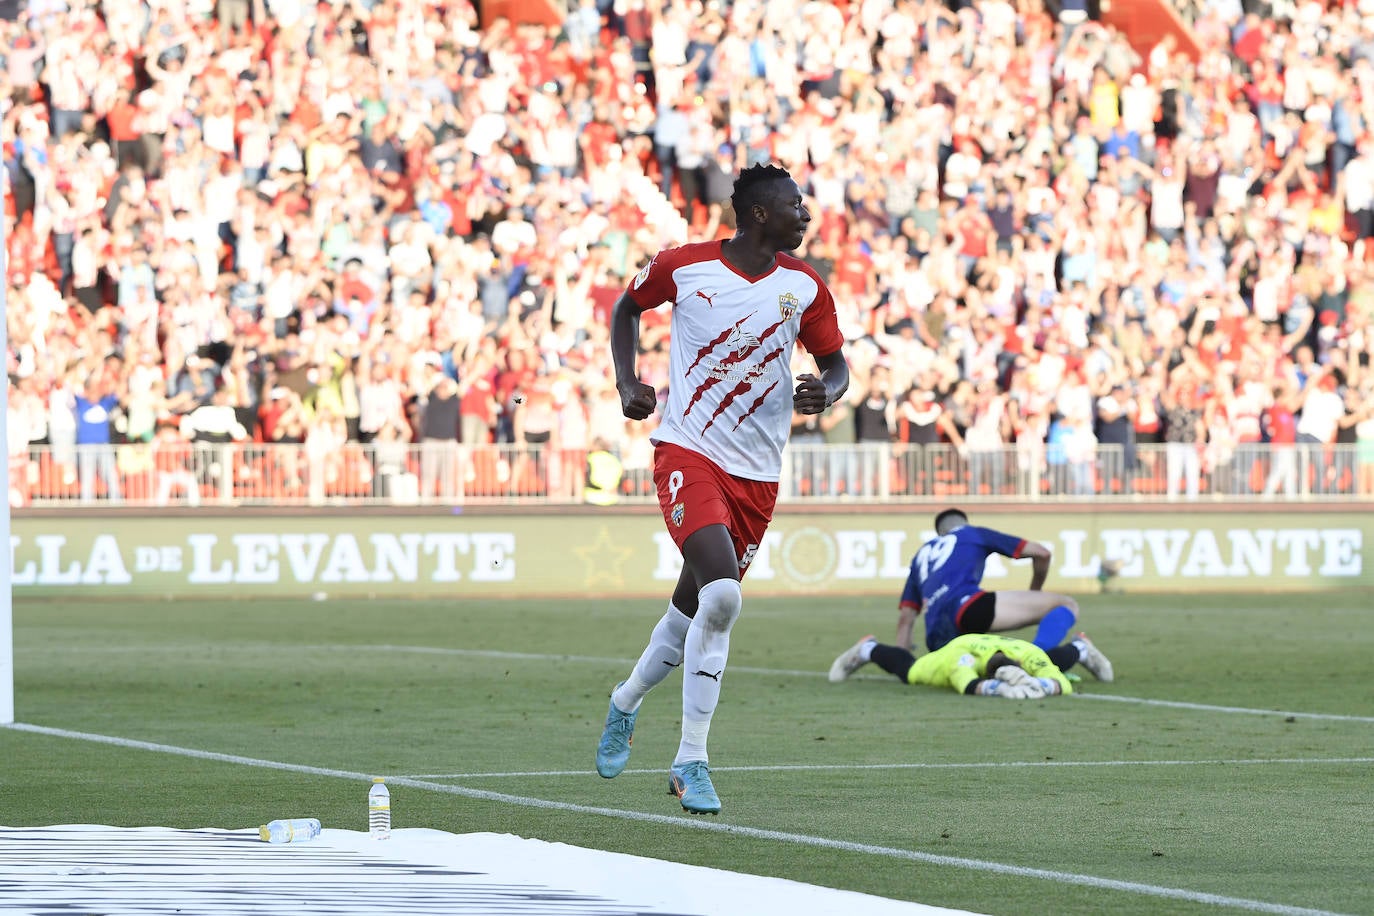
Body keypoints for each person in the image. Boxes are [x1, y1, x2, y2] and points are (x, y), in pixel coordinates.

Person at [595, 163, 849, 815]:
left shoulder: (804, 285)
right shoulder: (685, 266)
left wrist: (830, 391)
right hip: (689, 451)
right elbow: (627, 308)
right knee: (725, 596)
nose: (807, 214)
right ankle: (691, 761)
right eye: (797, 205)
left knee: (692, 614)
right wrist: (628, 383)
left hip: (758, 477)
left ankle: (624, 701)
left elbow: (836, 364)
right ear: (760, 214)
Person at [895, 508, 1113, 682]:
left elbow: (906, 619)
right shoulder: (971, 533)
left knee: (981, 667)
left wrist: (903, 663)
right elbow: (1041, 553)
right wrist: (1034, 593)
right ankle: (1035, 660)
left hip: (938, 639)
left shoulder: (920, 556)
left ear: (940, 532)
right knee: (1066, 604)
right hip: (968, 609)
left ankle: (1033, 661)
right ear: (963, 523)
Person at [827, 632, 1075, 700]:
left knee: (1054, 662)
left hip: (1002, 648)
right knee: (908, 670)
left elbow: (1062, 683)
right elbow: (966, 684)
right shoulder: (962, 656)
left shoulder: (1029, 654)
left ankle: (1082, 648)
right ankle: (868, 649)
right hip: (946, 655)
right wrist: (997, 689)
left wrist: (1039, 683)